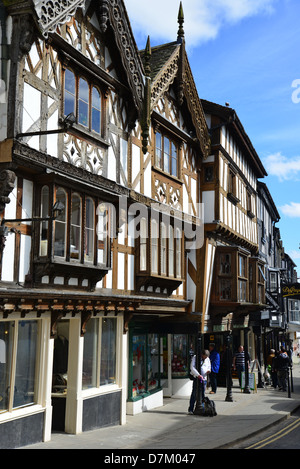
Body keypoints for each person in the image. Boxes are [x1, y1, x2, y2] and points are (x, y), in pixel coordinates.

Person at [188, 350, 211, 414]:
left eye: (206, 357)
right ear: (202, 354)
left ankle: (202, 408)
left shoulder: (207, 359)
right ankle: (191, 409)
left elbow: (209, 366)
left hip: (204, 378)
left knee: (203, 394)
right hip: (197, 378)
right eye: (205, 357)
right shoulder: (195, 357)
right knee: (194, 393)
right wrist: (198, 375)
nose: (205, 358)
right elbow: (192, 367)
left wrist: (208, 370)